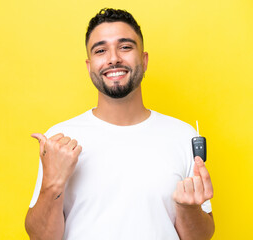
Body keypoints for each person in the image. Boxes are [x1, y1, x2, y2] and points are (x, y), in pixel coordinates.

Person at [25, 8, 215, 240]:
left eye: (125, 47)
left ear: (144, 60)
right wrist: (53, 184)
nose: (113, 58)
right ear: (89, 66)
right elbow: (40, 238)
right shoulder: (59, 138)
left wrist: (188, 208)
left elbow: (201, 237)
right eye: (101, 50)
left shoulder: (184, 136)